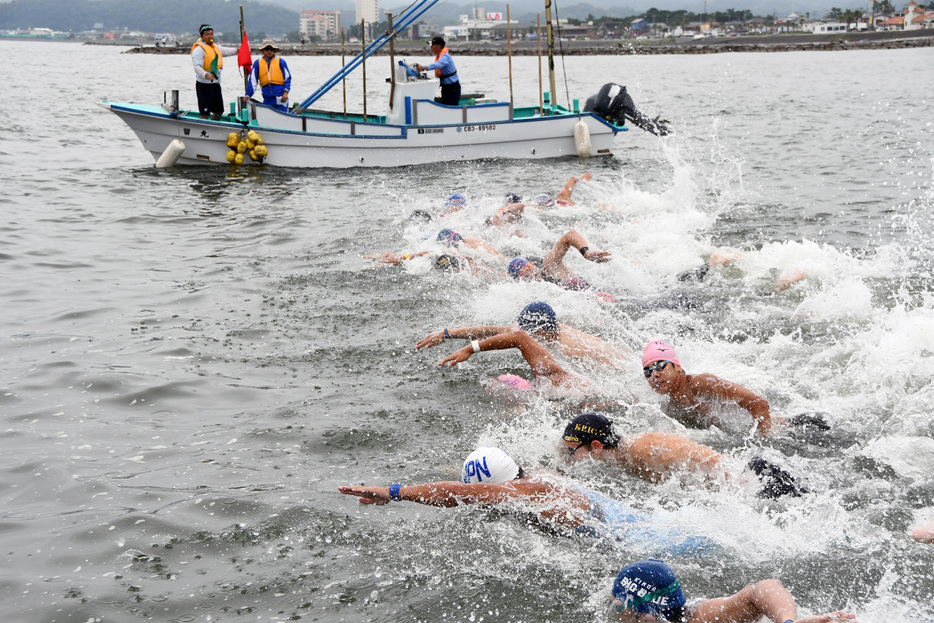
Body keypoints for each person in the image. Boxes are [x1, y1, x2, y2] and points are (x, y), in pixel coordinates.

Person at [339, 447, 718, 557]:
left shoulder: (519, 493)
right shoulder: (535, 477)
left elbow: (457, 492)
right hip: (642, 521)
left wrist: (394, 492)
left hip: (649, 544)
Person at [562, 412, 805, 498]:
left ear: (596, 447)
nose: (569, 458)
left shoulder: (642, 452)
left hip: (757, 482)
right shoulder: (625, 450)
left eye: (571, 452)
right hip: (750, 474)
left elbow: (705, 481)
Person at [641, 340, 828, 437]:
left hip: (795, 429)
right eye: (647, 371)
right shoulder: (668, 404)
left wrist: (767, 441)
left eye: (659, 365)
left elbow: (759, 403)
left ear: (677, 366)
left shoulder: (702, 384)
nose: (654, 374)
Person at [610, 559, 856, 623]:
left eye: (620, 603)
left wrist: (787, 621)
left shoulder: (700, 617)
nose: (615, 606)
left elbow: (763, 587)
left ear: (645, 613)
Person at [416, 301, 630, 369]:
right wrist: (447, 333)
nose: (523, 335)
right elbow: (494, 330)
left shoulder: (570, 349)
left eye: (529, 333)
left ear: (541, 332)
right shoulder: (550, 330)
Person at [508, 230, 614, 301]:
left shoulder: (549, 267)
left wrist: (586, 253)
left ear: (533, 264)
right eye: (522, 274)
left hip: (603, 299)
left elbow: (570, 235)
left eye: (528, 268)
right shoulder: (531, 296)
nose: (528, 273)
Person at [190, 24, 240, 120]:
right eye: (207, 35)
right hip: (204, 85)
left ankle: (212, 127)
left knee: (219, 111)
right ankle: (203, 130)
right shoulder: (198, 50)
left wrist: (238, 50)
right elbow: (197, 67)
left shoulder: (216, 47)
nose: (210, 37)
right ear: (202, 37)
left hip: (215, 84)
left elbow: (226, 51)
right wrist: (206, 75)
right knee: (205, 113)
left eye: (211, 34)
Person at [247, 39, 292, 112]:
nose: (269, 51)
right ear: (263, 50)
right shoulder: (257, 63)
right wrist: (248, 95)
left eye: (271, 49)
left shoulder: (281, 61)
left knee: (283, 117)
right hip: (267, 98)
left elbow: (287, 78)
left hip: (280, 97)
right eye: (267, 49)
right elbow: (253, 81)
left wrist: (286, 92)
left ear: (274, 50)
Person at [414, 36, 461, 106]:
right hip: (446, 87)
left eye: (432, 45)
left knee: (450, 108)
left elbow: (438, 65)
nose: (431, 47)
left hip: (452, 88)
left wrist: (424, 68)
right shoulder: (439, 56)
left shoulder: (445, 57)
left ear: (438, 46)